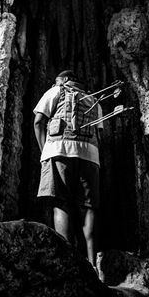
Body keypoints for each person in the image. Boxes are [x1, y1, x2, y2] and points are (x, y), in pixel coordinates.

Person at [33, 70, 103, 270]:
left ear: (63, 80)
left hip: (58, 150)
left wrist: (44, 149)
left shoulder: (55, 91)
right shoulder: (93, 100)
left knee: (61, 203)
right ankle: (93, 264)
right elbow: (100, 136)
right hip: (90, 156)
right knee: (88, 208)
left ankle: (67, 262)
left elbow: (39, 121)